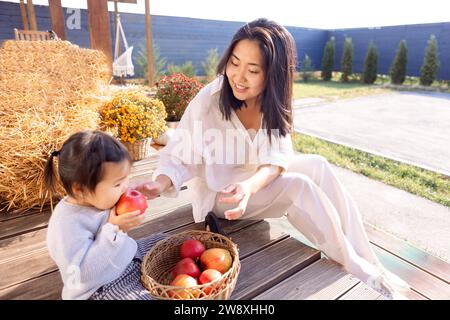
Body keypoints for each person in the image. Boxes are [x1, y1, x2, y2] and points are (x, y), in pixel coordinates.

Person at [136, 18, 411, 299]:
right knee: (298, 186)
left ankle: (371, 262)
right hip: (221, 196)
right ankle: (358, 270)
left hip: (249, 185)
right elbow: (182, 152)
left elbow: (276, 156)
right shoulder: (211, 98)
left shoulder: (271, 101)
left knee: (317, 164)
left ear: (273, 75)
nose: (239, 77)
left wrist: (250, 187)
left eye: (252, 70)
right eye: (234, 62)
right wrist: (160, 183)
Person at [45, 130, 166, 300]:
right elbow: (82, 275)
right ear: (80, 190)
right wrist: (115, 229)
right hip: (100, 287)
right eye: (118, 183)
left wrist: (136, 193)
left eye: (126, 179)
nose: (125, 187)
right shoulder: (66, 225)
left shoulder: (98, 197)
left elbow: (118, 194)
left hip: (125, 259)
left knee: (166, 241)